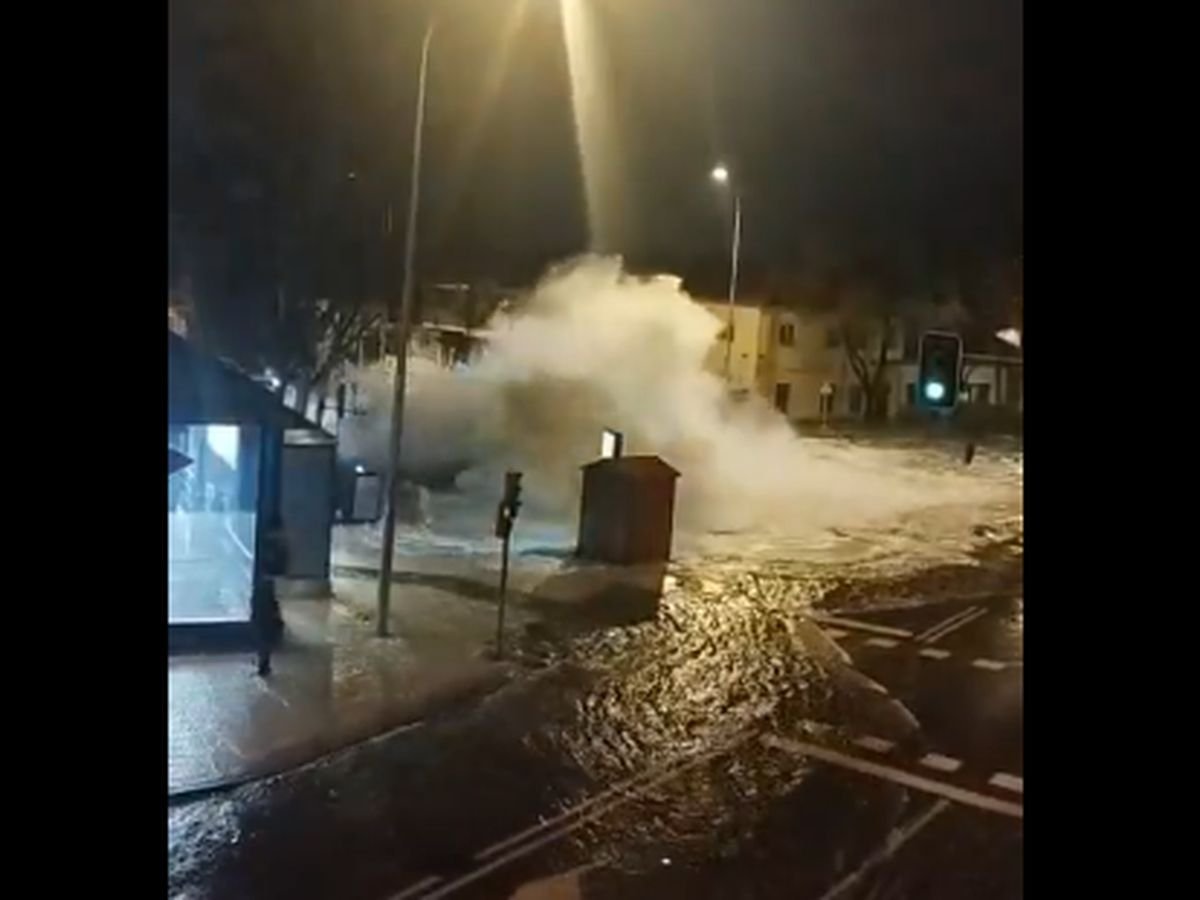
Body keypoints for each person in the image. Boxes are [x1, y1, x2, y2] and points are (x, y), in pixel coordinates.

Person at [254, 514, 288, 677]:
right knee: (265, 627)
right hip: (266, 592)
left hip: (264, 592)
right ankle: (264, 662)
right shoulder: (276, 547)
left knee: (264, 627)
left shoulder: (267, 546)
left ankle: (263, 662)